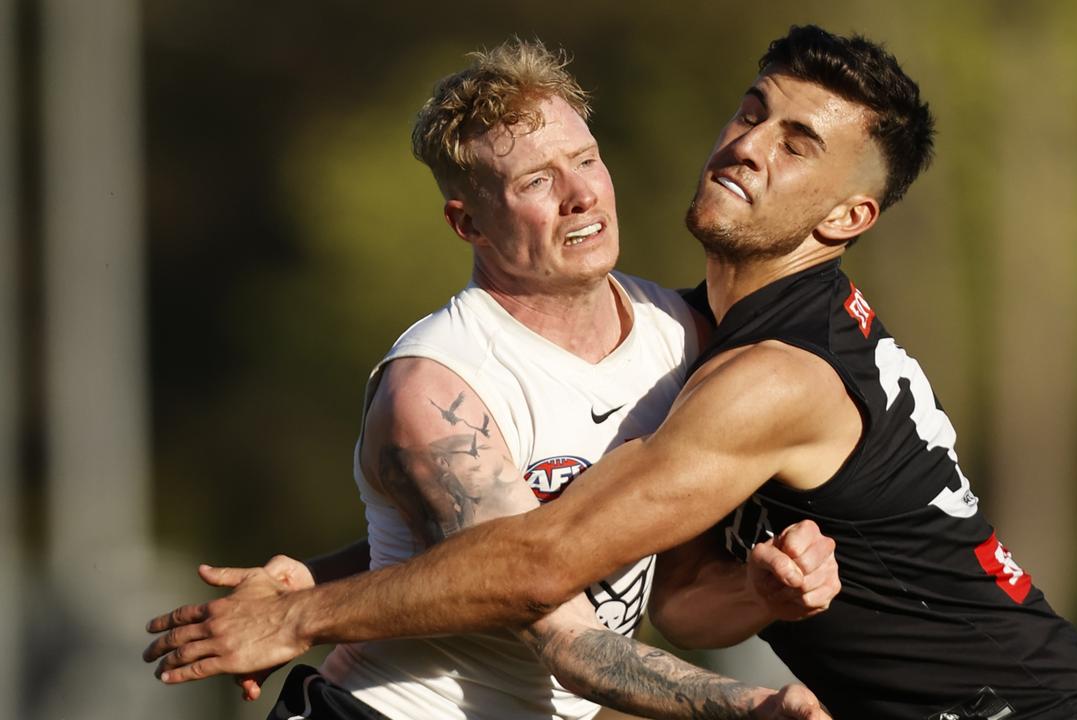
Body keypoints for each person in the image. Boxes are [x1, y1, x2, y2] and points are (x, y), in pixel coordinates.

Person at [146, 26, 1077, 719]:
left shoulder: (762, 375)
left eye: (796, 145)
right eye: (753, 110)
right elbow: (618, 567)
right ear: (468, 219)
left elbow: (543, 561)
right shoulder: (691, 335)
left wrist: (299, 614)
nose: (745, 147)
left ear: (847, 220)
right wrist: (763, 599)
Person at [150, 38, 838, 720]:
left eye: (585, 160)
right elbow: (558, 629)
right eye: (536, 181)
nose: (579, 196)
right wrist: (755, 708)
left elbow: (678, 605)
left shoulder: (681, 338)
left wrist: (766, 592)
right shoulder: (436, 388)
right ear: (468, 222)